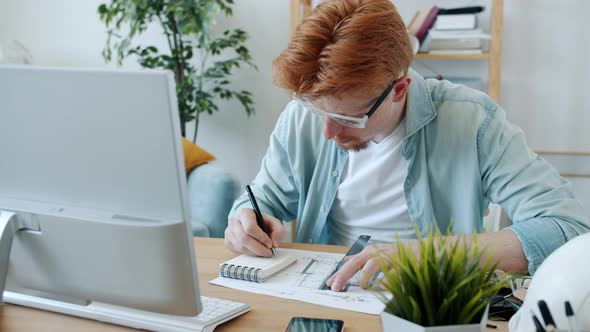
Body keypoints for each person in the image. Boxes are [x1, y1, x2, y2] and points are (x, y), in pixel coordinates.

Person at [223, 0, 589, 292]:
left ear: (400, 89)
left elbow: (566, 229)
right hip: (325, 296)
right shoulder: (303, 116)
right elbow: (263, 200)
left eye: (350, 119)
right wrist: (245, 221)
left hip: (431, 304)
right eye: (317, 110)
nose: (327, 133)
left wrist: (424, 254)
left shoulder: (473, 121)